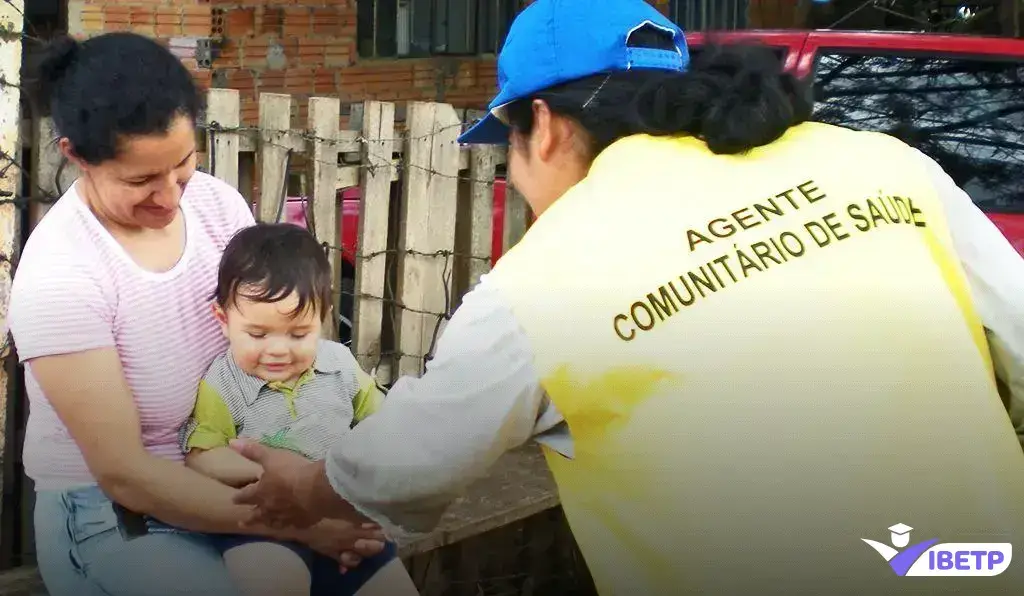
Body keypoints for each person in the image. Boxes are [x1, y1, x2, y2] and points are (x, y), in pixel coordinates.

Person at [242, 0, 1024, 594]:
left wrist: (304, 486)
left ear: (540, 124)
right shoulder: (880, 165)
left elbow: (410, 465)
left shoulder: (544, 280)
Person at [5, 32, 403, 596]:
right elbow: (125, 474)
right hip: (118, 515)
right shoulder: (61, 274)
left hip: (241, 481)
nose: (170, 198)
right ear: (75, 155)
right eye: (141, 180)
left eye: (182, 166)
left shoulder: (217, 205)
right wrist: (307, 524)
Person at [178, 222, 414, 596]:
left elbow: (383, 422)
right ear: (223, 320)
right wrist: (286, 472)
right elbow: (202, 457)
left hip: (343, 515)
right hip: (265, 525)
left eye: (298, 334)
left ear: (323, 317)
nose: (277, 350)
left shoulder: (339, 364)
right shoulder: (223, 383)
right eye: (257, 335)